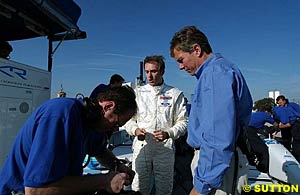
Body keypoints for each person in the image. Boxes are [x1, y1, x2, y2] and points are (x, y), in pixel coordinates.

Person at [0, 86, 137, 195]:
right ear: (108, 107)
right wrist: (103, 181)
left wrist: (119, 167)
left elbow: (100, 150)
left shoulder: (93, 125)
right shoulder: (61, 114)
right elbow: (36, 190)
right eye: (117, 124)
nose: (115, 130)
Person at [169, 25, 253, 195]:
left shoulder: (214, 74)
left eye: (181, 59)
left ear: (197, 50)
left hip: (216, 170)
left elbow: (217, 136)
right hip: (217, 165)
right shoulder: (219, 70)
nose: (180, 67)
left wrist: (202, 186)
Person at [124, 55, 188, 195]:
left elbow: (183, 122)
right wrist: (135, 130)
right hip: (142, 147)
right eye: (147, 72)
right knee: (138, 188)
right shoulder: (137, 93)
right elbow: (128, 120)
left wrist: (168, 133)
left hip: (164, 149)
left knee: (164, 189)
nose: (149, 76)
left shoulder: (175, 94)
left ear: (162, 71)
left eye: (153, 71)